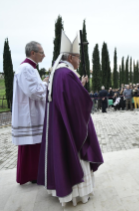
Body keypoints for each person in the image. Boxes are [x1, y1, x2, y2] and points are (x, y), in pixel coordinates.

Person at [37, 31, 103, 207]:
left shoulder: (58, 73)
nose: (79, 61)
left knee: (62, 152)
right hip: (70, 126)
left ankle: (63, 188)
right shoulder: (66, 74)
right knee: (75, 153)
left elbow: (65, 97)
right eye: (79, 58)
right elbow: (76, 102)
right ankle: (77, 193)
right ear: (71, 57)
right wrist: (82, 89)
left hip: (60, 122)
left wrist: (78, 86)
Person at [11, 41, 48, 185]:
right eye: (41, 52)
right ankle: (32, 175)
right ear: (33, 53)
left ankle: (33, 175)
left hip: (32, 113)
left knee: (33, 146)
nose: (44, 55)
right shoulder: (26, 68)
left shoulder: (30, 68)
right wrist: (45, 83)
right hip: (30, 115)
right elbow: (33, 92)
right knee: (31, 145)